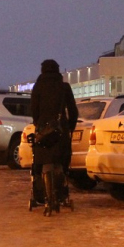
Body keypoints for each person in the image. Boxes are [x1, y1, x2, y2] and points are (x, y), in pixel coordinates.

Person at [30, 59, 78, 211]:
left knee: (41, 161)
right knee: (62, 161)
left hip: (43, 132)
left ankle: (43, 195)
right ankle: (61, 193)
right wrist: (70, 127)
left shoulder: (38, 87)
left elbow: (33, 110)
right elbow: (73, 110)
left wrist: (39, 125)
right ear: (57, 70)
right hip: (61, 130)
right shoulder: (64, 87)